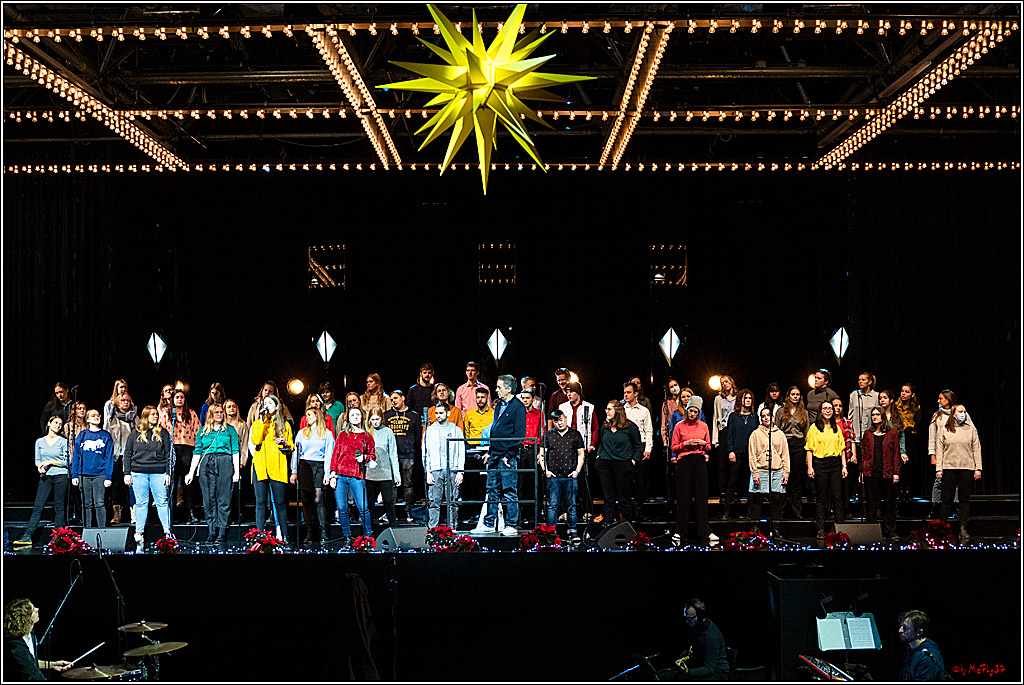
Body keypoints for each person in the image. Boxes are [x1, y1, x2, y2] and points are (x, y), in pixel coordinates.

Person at [475, 375, 526, 535]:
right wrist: (490, 452)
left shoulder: (518, 407)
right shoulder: (498, 406)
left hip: (507, 456)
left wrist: (509, 454)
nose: (496, 390)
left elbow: (519, 434)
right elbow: (495, 430)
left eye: (499, 387)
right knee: (491, 489)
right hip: (495, 454)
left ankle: (511, 525)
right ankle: (489, 523)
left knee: (509, 490)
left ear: (508, 389)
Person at [187, 403, 240, 545]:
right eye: (216, 412)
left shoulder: (230, 430)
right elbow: (197, 452)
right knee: (208, 499)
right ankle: (211, 531)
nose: (220, 414)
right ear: (210, 414)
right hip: (206, 464)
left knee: (223, 498)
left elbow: (235, 451)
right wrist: (191, 472)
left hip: (225, 462)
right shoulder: (203, 431)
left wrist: (236, 471)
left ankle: (222, 531)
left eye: (221, 412)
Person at [15, 416, 71, 546]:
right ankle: (28, 535)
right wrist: (41, 467)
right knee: (38, 506)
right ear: (49, 424)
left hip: (60, 476)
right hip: (46, 477)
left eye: (60, 424)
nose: (58, 425)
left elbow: (66, 462)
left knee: (59, 506)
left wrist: (50, 462)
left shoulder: (63, 441)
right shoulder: (40, 442)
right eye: (56, 423)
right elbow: (37, 461)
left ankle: (58, 537)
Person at [123, 406, 173, 552]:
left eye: (156, 414)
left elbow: (169, 455)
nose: (155, 416)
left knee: (162, 502)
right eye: (152, 414)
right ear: (145, 416)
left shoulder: (163, 433)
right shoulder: (135, 433)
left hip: (158, 472)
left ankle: (167, 533)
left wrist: (168, 473)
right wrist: (127, 473)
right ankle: (139, 534)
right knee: (141, 503)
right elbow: (127, 454)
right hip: (138, 472)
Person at [250, 394, 295, 542]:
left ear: (276, 407)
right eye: (265, 403)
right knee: (260, 502)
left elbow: (291, 446)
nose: (267, 405)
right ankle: (259, 536)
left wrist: (285, 443)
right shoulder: (257, 423)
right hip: (261, 466)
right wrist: (263, 422)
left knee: (280, 503)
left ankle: (285, 536)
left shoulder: (285, 424)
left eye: (270, 403)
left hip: (277, 466)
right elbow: (256, 440)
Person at [671, 396, 715, 544]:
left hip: (699, 461)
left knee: (701, 497)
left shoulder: (703, 426)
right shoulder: (679, 426)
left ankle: (704, 530)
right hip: (684, 462)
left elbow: (709, 446)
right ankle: (679, 531)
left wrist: (703, 443)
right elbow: (674, 448)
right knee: (683, 496)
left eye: (695, 412)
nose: (692, 414)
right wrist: (686, 444)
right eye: (690, 411)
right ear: (687, 410)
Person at [329, 407, 376, 542]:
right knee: (342, 508)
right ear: (348, 418)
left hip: (357, 475)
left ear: (362, 417)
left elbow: (373, 456)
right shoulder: (343, 435)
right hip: (340, 475)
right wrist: (332, 474)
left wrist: (365, 457)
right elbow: (335, 455)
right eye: (353, 415)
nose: (355, 417)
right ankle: (347, 536)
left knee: (363, 507)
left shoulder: (367, 437)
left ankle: (368, 536)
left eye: (358, 414)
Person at [290, 406, 335, 546]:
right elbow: (296, 454)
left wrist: (327, 473)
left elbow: (329, 454)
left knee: (318, 500)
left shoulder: (327, 434)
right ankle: (309, 530)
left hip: (319, 466)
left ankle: (323, 531)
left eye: (309, 415)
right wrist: (294, 471)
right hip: (305, 466)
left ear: (317, 416)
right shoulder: (302, 433)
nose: (307, 417)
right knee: (306, 500)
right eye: (306, 415)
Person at [936, 404, 982, 541]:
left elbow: (976, 449)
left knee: (964, 499)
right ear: (954, 414)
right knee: (947, 499)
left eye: (965, 411)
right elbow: (939, 450)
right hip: (949, 467)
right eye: (961, 411)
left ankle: (963, 527)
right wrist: (939, 468)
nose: (963, 413)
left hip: (967, 467)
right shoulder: (944, 429)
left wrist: (978, 468)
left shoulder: (971, 430)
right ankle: (942, 528)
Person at [538, 409, 585, 542]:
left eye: (561, 419)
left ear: (565, 418)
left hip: (570, 476)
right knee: (553, 505)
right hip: (554, 476)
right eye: (556, 421)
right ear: (553, 422)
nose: (559, 423)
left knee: (572, 505)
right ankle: (551, 533)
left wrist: (577, 471)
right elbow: (542, 454)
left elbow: (581, 454)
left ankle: (573, 532)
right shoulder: (548, 435)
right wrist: (545, 470)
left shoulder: (575, 434)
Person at [805, 401, 848, 539]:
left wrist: (844, 466)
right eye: (825, 408)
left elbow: (842, 449)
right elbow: (809, 449)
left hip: (835, 464)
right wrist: (810, 467)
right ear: (821, 411)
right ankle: (820, 528)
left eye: (830, 408)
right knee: (821, 497)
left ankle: (840, 527)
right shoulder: (814, 428)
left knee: (837, 496)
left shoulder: (836, 428)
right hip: (820, 464)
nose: (828, 411)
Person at [595, 400, 641, 527]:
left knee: (624, 499)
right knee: (608, 498)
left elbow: (638, 445)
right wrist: (599, 456)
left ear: (617, 411)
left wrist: (633, 460)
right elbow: (601, 443)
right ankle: (608, 524)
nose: (607, 411)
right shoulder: (605, 426)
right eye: (606, 409)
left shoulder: (630, 427)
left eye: (609, 409)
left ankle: (626, 527)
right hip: (605, 464)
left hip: (623, 465)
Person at [159, 388, 202, 523]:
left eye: (182, 397)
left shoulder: (191, 413)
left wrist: (197, 449)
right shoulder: (167, 414)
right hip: (172, 448)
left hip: (188, 448)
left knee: (189, 482)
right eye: (177, 397)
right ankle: (170, 514)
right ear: (172, 399)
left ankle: (191, 512)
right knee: (171, 481)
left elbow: (198, 431)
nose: (179, 399)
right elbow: (161, 430)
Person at [926, 390, 971, 519]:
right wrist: (932, 454)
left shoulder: (960, 414)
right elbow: (932, 437)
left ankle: (957, 507)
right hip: (942, 454)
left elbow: (970, 432)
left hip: (957, 454)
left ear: (948, 400)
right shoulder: (937, 416)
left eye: (941, 398)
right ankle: (935, 507)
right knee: (939, 481)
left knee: (957, 482)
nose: (938, 401)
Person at [3, 599, 72, 680]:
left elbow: (32, 663)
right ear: (26, 618)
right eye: (33, 609)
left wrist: (53, 664)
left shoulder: (30, 633)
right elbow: (33, 674)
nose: (37, 609)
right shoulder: (16, 647)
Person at [860, 408, 902, 540]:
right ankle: (872, 529)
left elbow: (896, 453)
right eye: (872, 415)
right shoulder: (868, 433)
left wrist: (896, 472)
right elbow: (864, 454)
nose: (874, 417)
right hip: (871, 472)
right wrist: (862, 472)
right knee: (872, 501)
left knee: (889, 502)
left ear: (883, 417)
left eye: (877, 415)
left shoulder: (892, 433)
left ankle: (890, 530)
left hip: (887, 472)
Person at [747, 407, 790, 536]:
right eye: (763, 416)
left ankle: (776, 527)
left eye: (768, 415)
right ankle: (754, 527)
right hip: (761, 470)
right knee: (757, 499)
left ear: (772, 417)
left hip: (777, 470)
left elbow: (785, 455)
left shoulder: (780, 434)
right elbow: (752, 455)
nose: (766, 418)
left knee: (776, 499)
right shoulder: (755, 434)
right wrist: (754, 473)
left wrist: (785, 472)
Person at [423, 403, 465, 530]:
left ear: (448, 413)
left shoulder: (456, 430)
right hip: (435, 469)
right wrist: (428, 472)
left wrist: (460, 471)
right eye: (436, 413)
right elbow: (425, 452)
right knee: (434, 501)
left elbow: (461, 451)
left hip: (452, 470)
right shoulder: (430, 430)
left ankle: (452, 528)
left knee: (452, 501)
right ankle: (432, 529)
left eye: (441, 413)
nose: (438, 416)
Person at [71, 409, 114, 528]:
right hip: (83, 474)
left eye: (98, 415)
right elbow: (76, 456)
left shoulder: (106, 435)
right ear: (88, 419)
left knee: (99, 503)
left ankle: (102, 530)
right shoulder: (82, 435)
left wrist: (108, 476)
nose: (96, 417)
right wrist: (74, 474)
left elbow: (109, 458)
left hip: (100, 474)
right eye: (93, 415)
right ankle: (87, 530)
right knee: (86, 504)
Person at [384, 390, 422, 521]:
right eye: (391, 399)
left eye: (396, 398)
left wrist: (412, 449)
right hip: (390, 455)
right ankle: (390, 512)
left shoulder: (413, 415)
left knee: (407, 484)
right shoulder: (387, 415)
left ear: (403, 398)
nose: (393, 401)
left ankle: (408, 511)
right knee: (392, 484)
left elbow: (418, 435)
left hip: (407, 453)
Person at [776, 386, 810, 520]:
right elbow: (777, 430)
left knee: (796, 480)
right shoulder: (780, 411)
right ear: (788, 396)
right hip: (785, 444)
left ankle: (797, 511)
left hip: (799, 445)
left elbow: (807, 432)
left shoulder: (804, 412)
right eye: (793, 394)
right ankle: (781, 511)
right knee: (784, 478)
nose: (795, 396)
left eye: (797, 394)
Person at [672, 599, 729, 681]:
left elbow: (709, 669)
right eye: (686, 618)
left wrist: (688, 671)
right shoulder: (697, 626)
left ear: (700, 616)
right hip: (702, 665)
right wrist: (687, 651)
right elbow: (694, 641)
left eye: (690, 618)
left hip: (717, 673)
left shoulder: (710, 637)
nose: (687, 621)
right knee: (665, 677)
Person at [722, 389, 757, 519]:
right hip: (737, 453)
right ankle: (727, 510)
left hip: (751, 454)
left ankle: (750, 512)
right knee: (732, 481)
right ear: (740, 400)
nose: (747, 400)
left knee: (751, 483)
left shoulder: (755, 417)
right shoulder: (733, 416)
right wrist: (730, 450)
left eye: (749, 398)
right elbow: (729, 435)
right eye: (745, 398)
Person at [103, 392, 137, 526]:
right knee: (117, 485)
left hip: (132, 456)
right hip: (116, 455)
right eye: (122, 400)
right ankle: (117, 514)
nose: (125, 403)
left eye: (128, 400)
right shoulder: (111, 418)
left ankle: (134, 514)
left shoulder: (135, 417)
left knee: (131, 485)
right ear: (117, 402)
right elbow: (106, 435)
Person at [622, 381, 654, 517]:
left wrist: (648, 449)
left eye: (629, 392)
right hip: (625, 448)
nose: (626, 395)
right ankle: (626, 511)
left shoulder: (644, 410)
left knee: (640, 481)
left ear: (636, 394)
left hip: (639, 446)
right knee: (625, 481)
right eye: (624, 392)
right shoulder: (621, 410)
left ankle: (639, 511)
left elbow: (649, 431)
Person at [366, 408, 400, 533]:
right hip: (370, 474)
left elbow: (393, 454)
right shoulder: (366, 432)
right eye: (372, 419)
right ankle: (370, 532)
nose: (375, 422)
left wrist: (396, 476)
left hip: (385, 473)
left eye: (377, 419)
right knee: (370, 503)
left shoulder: (388, 432)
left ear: (382, 419)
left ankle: (394, 530)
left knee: (388, 502)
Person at [462, 387, 494, 521]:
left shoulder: (493, 413)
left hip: (488, 448)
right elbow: (467, 432)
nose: (480, 400)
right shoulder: (469, 414)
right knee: (473, 482)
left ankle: (488, 513)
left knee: (486, 481)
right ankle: (474, 513)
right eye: (478, 397)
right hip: (473, 449)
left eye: (483, 397)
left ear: (487, 398)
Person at [898, 610, 947, 681]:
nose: (900, 630)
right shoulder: (910, 650)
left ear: (919, 632)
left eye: (905, 628)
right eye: (901, 626)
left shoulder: (927, 656)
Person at [223, 399, 251, 523]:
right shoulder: (222, 424)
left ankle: (240, 513)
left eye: (233, 406)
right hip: (224, 459)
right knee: (225, 489)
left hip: (237, 459)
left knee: (237, 490)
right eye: (229, 406)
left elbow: (245, 444)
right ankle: (227, 515)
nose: (231, 408)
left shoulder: (242, 424)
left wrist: (242, 461)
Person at [62, 401, 88, 524]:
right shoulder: (69, 426)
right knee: (74, 489)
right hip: (74, 458)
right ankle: (76, 513)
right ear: (74, 411)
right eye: (79, 409)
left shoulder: (88, 425)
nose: (82, 410)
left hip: (87, 460)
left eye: (84, 408)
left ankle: (85, 516)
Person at [710, 375, 737, 497]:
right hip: (723, 431)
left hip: (735, 432)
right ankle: (722, 490)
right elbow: (716, 418)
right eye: (722, 383)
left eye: (726, 381)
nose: (724, 384)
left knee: (734, 462)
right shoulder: (718, 399)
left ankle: (733, 489)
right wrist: (715, 439)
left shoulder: (738, 398)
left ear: (731, 382)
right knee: (722, 463)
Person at [894, 384, 922, 501]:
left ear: (912, 394)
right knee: (898, 463)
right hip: (899, 435)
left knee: (909, 464)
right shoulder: (896, 406)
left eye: (907, 392)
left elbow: (918, 421)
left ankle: (908, 489)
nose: (903, 394)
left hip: (910, 435)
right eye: (902, 391)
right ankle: (899, 489)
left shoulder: (916, 407)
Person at [832, 396, 859, 507]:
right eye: (835, 406)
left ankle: (846, 509)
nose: (838, 408)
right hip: (833, 457)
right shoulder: (829, 422)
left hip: (847, 456)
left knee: (847, 485)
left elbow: (852, 439)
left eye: (840, 406)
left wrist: (854, 455)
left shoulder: (846, 422)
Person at [848, 372, 880, 447]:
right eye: (859, 380)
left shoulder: (876, 396)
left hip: (870, 432)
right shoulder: (854, 395)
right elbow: (850, 414)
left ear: (869, 382)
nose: (860, 382)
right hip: (856, 434)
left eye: (863, 380)